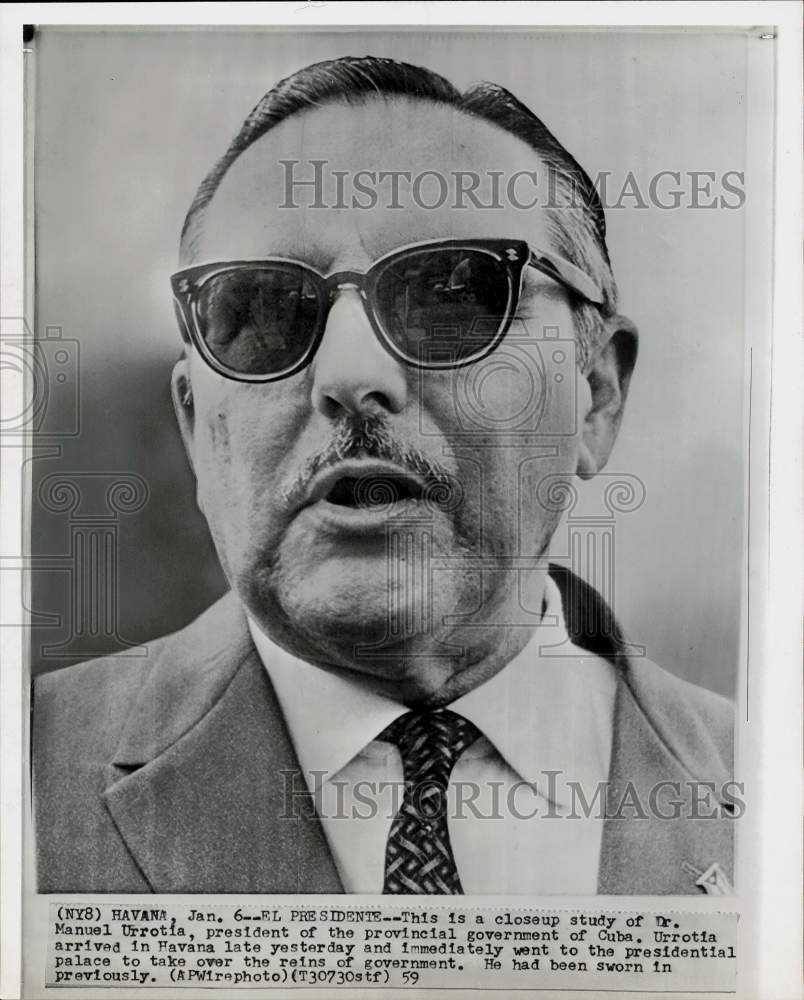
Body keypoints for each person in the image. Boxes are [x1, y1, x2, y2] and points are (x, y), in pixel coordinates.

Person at [33, 56, 735, 895]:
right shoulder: (27, 768)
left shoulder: (762, 779)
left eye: (451, 295)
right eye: (262, 312)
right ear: (195, 427)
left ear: (595, 396)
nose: (348, 374)